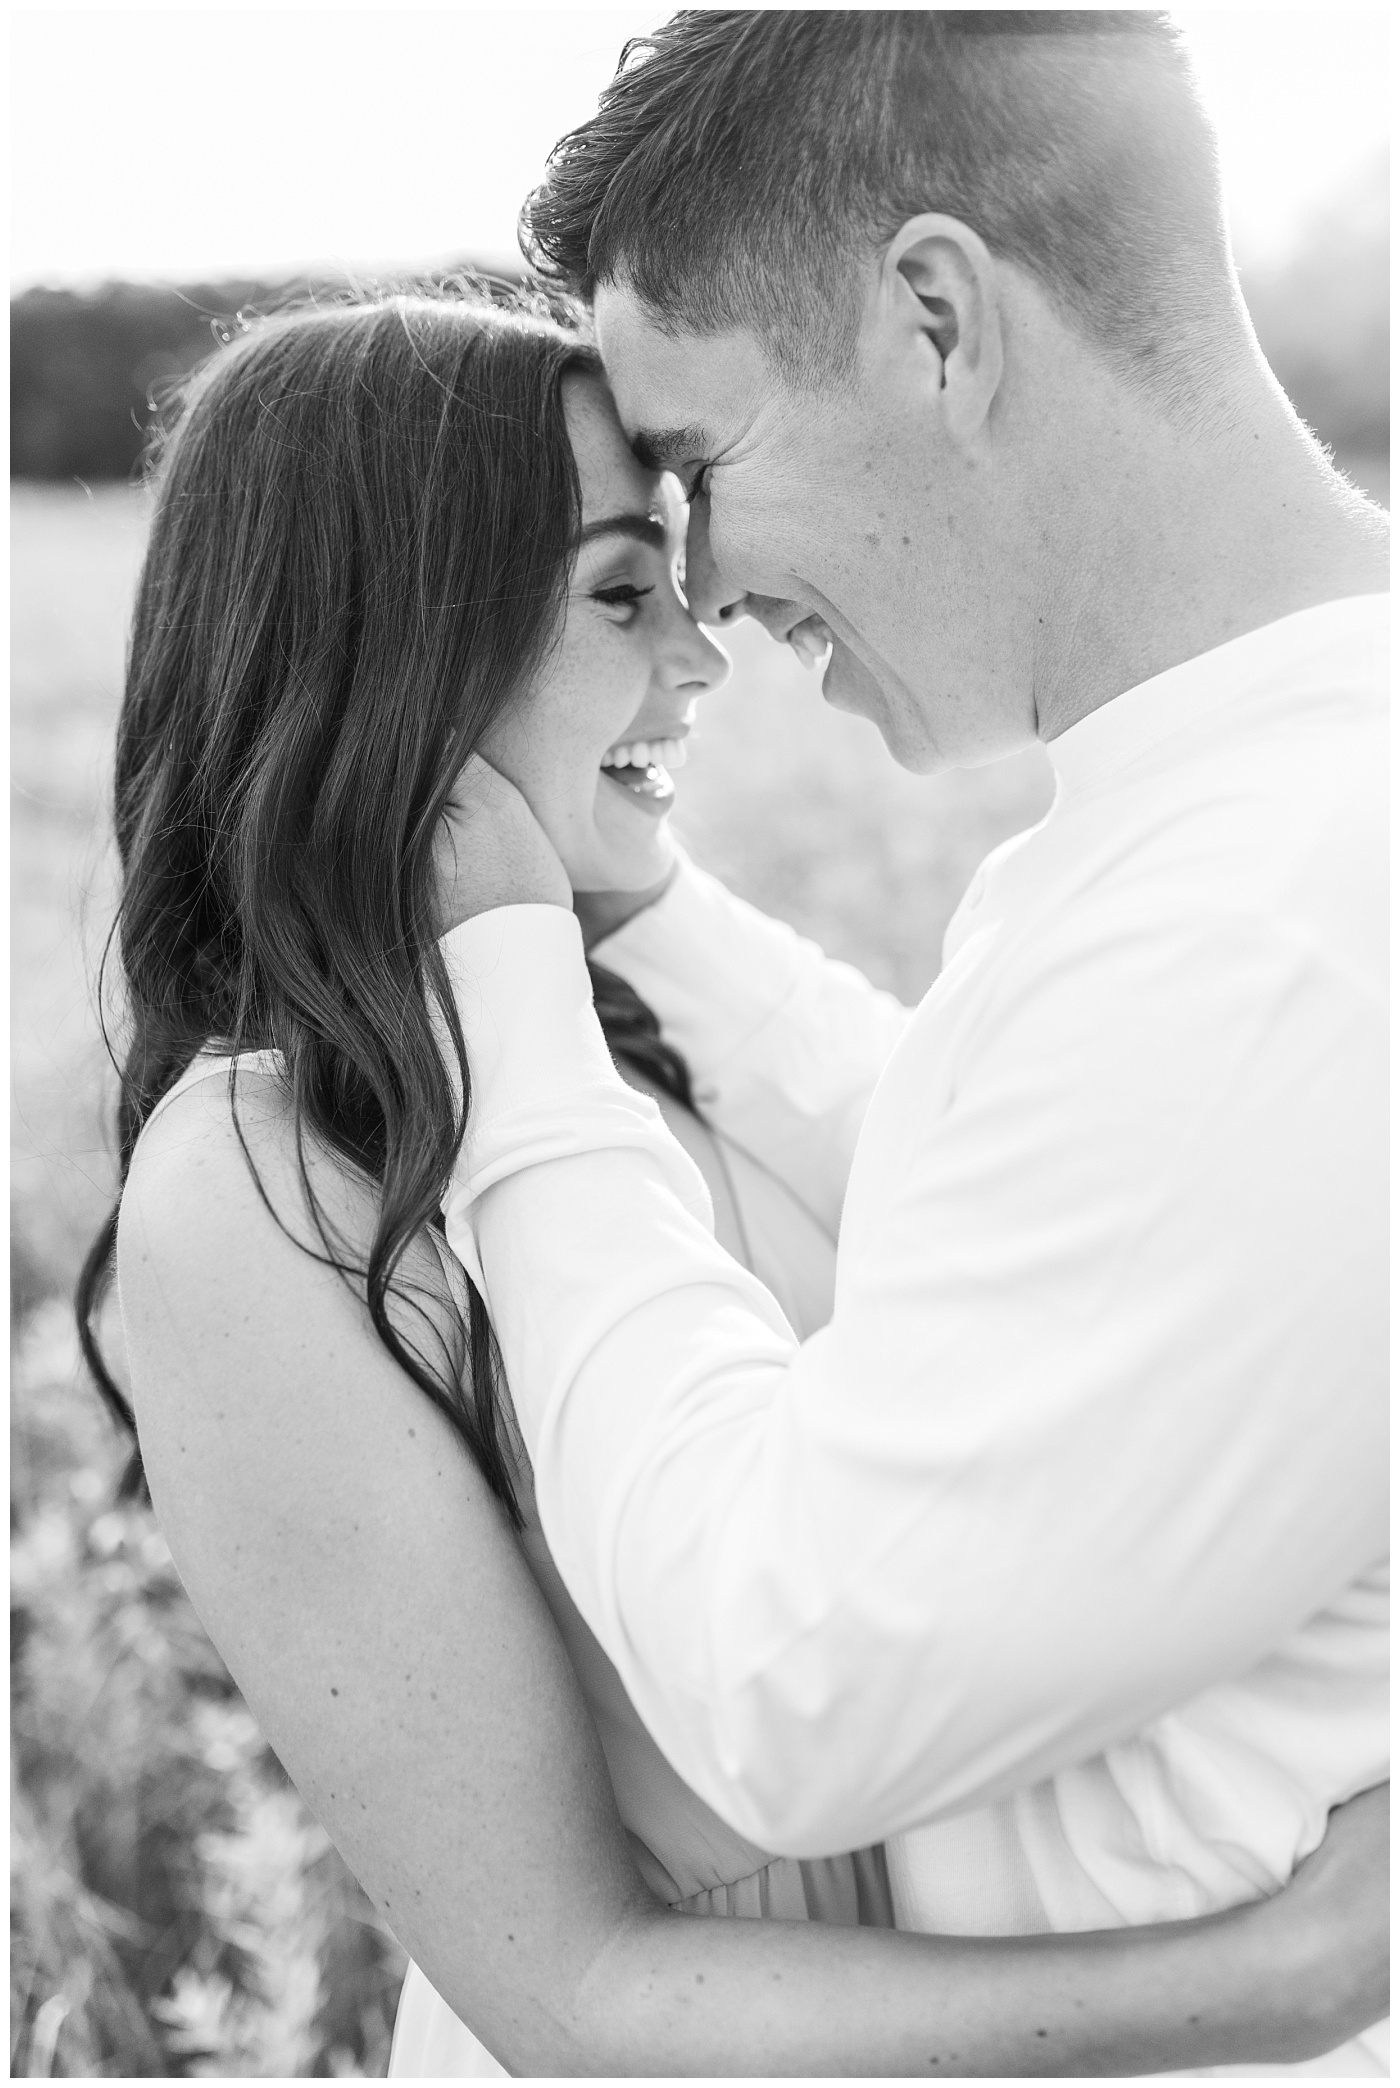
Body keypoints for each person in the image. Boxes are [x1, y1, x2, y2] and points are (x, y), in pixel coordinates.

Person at [82, 290, 1385, 2077]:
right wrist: (1279, 1979)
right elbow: (576, 1997)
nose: (705, 657)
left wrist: (557, 924)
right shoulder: (251, 1193)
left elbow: (996, 1193)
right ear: (400, 655)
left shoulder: (615, 1038)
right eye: (626, 593)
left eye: (688, 582)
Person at [422, 11, 1391, 2072]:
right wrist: (651, 919)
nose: (705, 594)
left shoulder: (1258, 930)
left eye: (699, 464)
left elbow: (785, 1686)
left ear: (937, 322)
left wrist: (510, 1001)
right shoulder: (1250, 819)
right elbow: (1037, 1217)